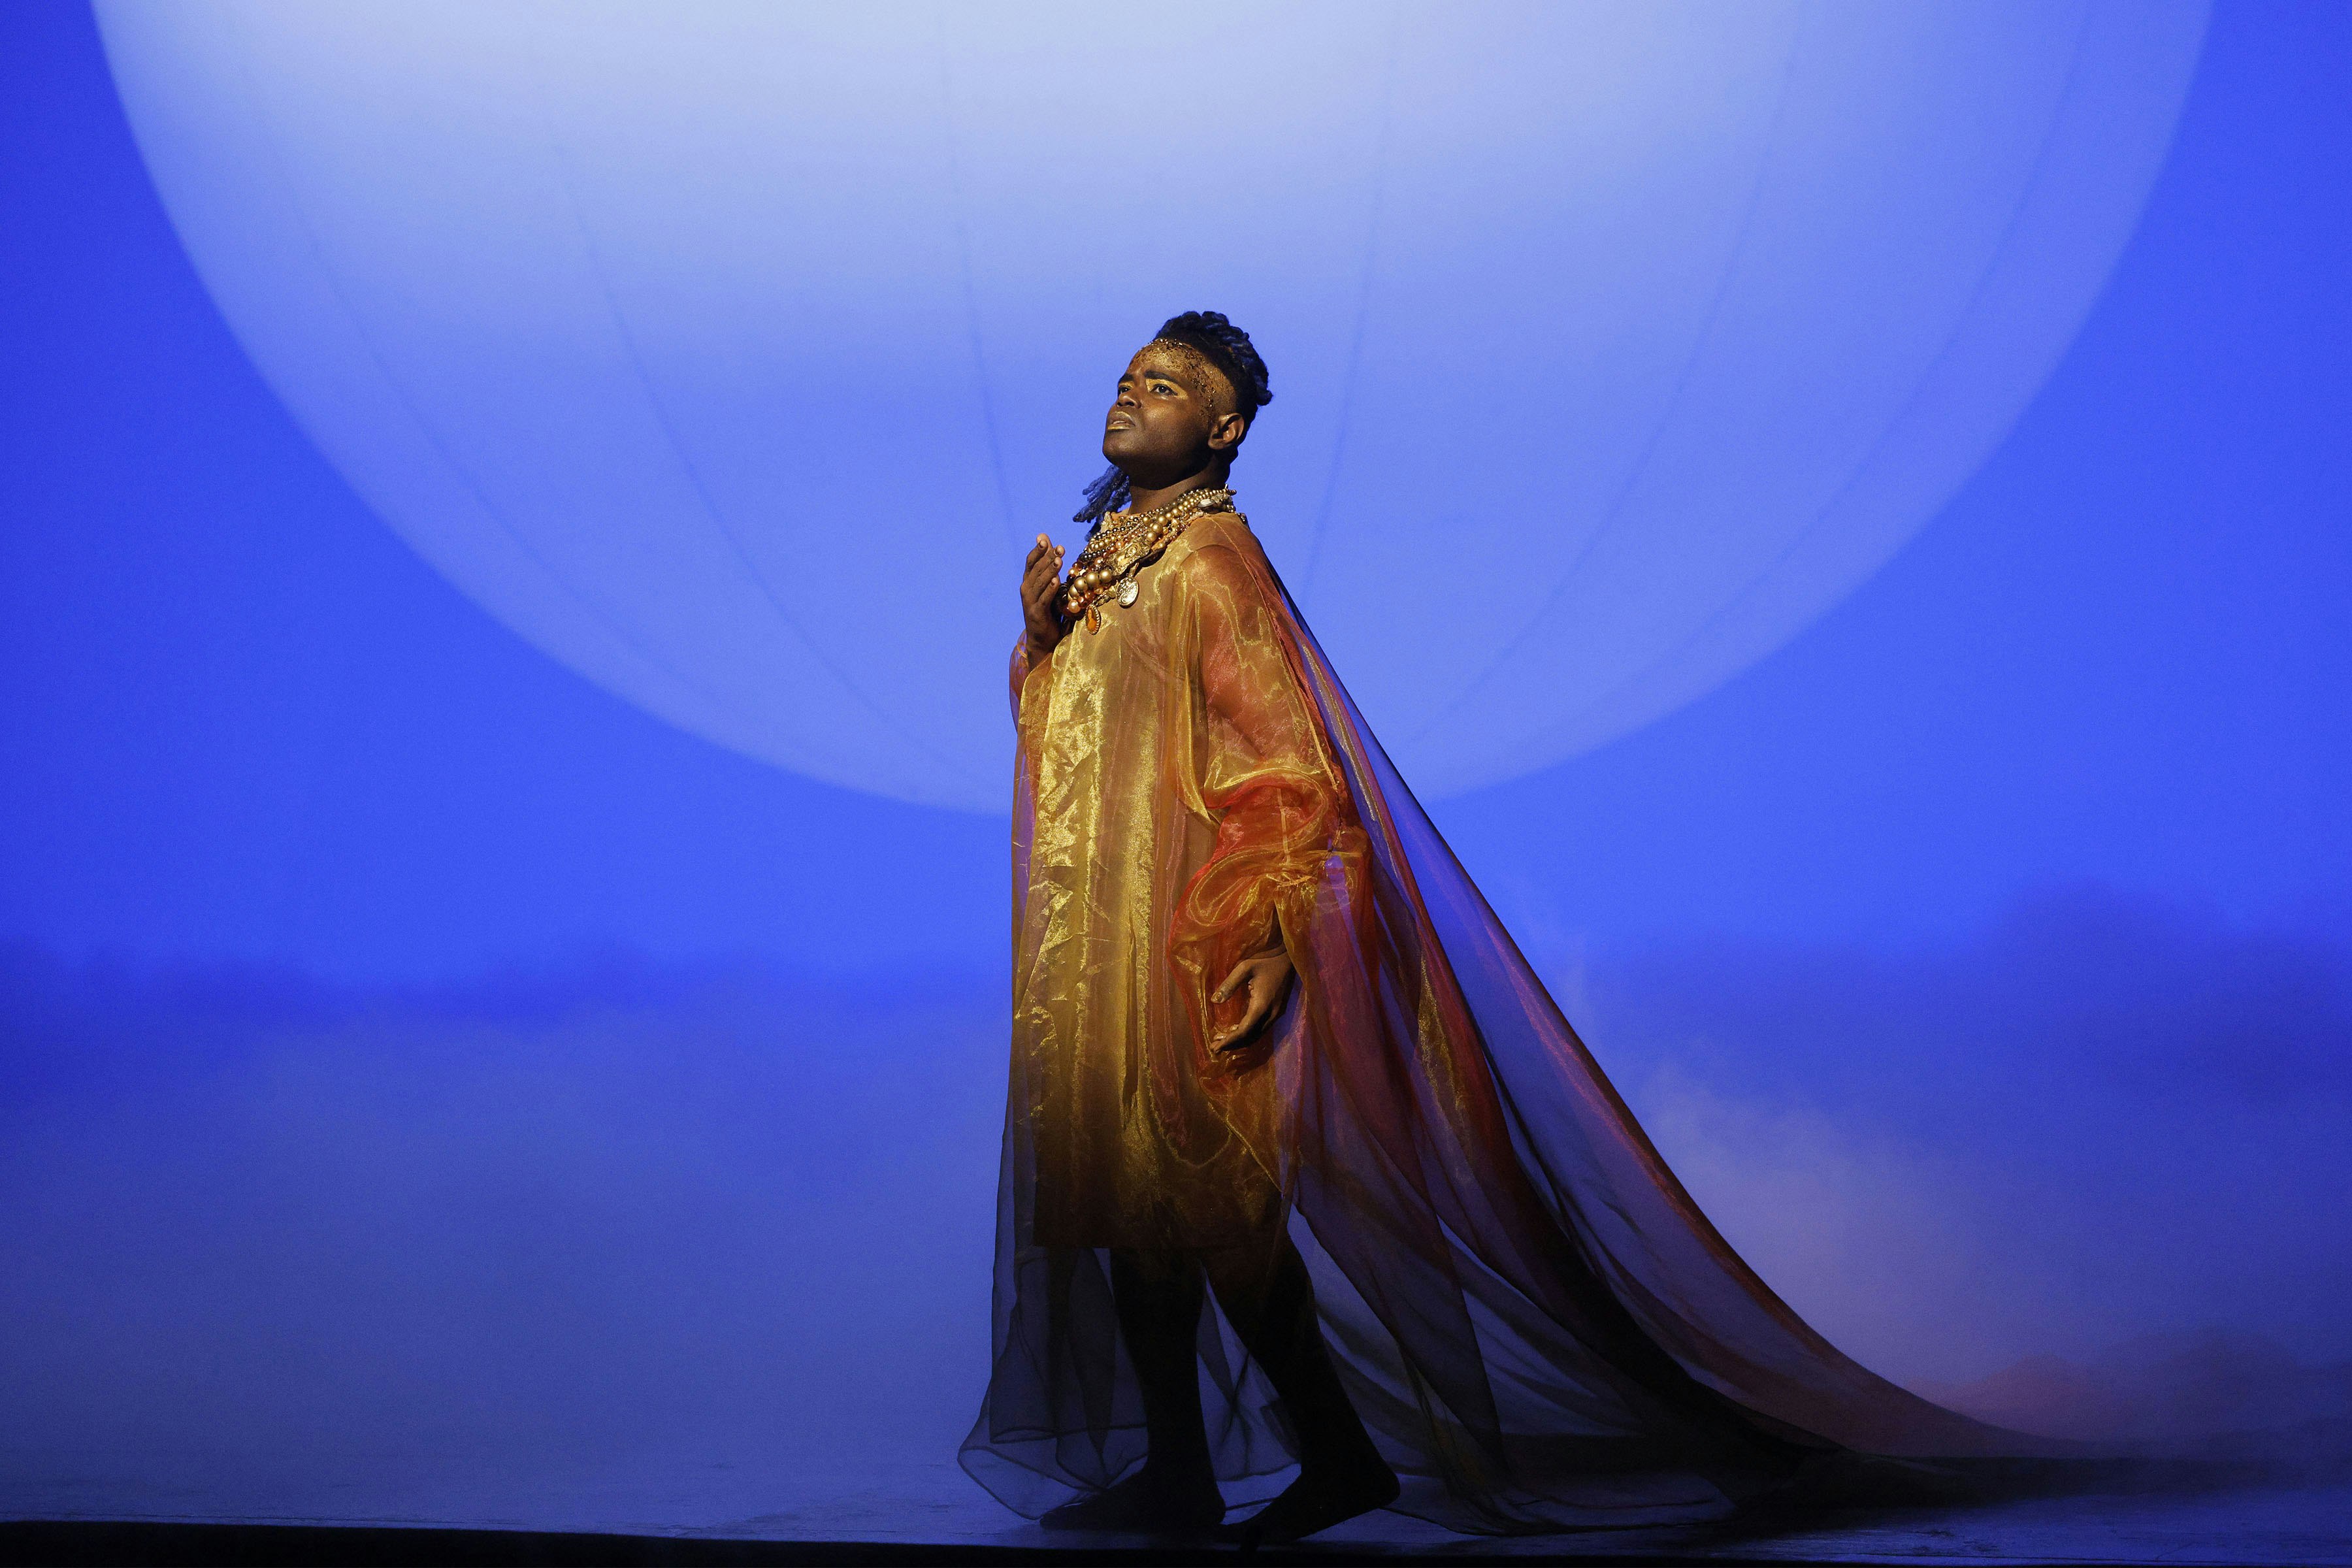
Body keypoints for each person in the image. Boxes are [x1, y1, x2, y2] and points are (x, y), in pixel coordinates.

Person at [958, 312, 2053, 1545]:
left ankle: (1339, 1458)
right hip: (1103, 940)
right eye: (1125, 380)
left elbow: (1290, 767)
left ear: (1223, 429)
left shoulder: (1214, 564)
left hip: (1194, 933)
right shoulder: (1117, 553)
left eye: (1162, 387)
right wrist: (1044, 640)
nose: (1129, 399)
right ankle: (1180, 1474)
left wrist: (1269, 931)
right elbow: (1084, 742)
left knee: (1214, 1212)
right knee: (1132, 1212)